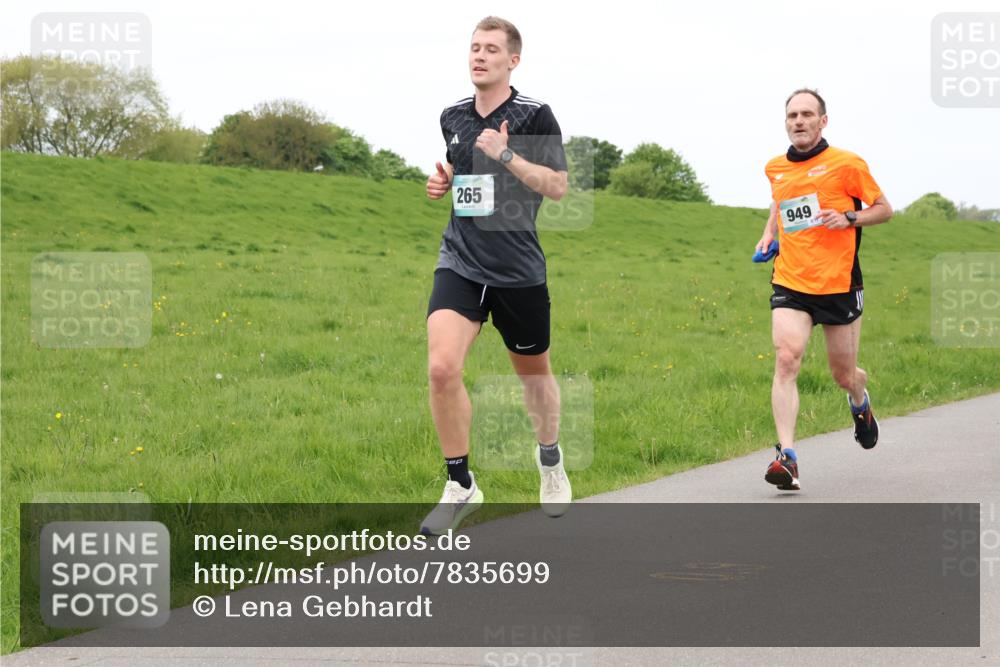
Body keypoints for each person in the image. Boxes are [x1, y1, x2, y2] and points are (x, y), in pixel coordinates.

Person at [421, 17, 571, 534]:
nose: (478, 56)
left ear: (513, 60)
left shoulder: (534, 115)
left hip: (517, 270)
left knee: (534, 381)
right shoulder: (452, 116)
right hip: (461, 260)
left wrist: (505, 154)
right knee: (442, 368)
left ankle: (549, 458)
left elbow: (555, 187)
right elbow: (462, 174)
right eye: (473, 48)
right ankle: (460, 482)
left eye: (490, 49)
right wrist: (443, 181)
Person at [756, 88, 893, 491]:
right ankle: (787, 457)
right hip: (791, 281)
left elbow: (884, 209)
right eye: (792, 115)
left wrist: (849, 217)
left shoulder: (847, 164)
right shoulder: (775, 167)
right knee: (786, 359)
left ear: (823, 121)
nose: (798, 121)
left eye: (806, 115)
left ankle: (860, 402)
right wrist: (768, 235)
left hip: (838, 284)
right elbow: (780, 204)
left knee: (843, 374)